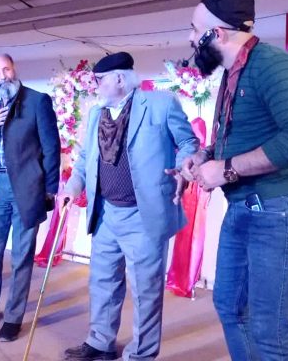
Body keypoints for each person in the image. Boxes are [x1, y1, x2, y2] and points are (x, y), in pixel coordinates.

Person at [182, 0, 288, 360]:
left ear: (217, 34)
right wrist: (204, 156)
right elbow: (239, 136)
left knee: (268, 328)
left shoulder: (273, 65)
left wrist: (225, 169)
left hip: (280, 209)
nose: (191, 39)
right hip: (246, 206)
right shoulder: (234, 73)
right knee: (230, 307)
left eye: (195, 30)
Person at [61, 52, 198, 361]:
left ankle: (141, 354)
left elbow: (189, 144)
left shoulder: (161, 104)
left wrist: (182, 167)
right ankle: (100, 342)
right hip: (106, 213)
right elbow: (85, 160)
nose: (95, 86)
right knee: (102, 282)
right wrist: (72, 188)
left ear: (120, 79)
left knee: (145, 290)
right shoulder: (96, 114)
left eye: (99, 80)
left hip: (143, 214)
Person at [0, 54, 60, 342]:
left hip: (27, 189)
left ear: (14, 69)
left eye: (5, 69)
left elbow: (51, 147)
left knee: (21, 257)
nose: (2, 76)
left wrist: (50, 189)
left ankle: (13, 317)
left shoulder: (37, 101)